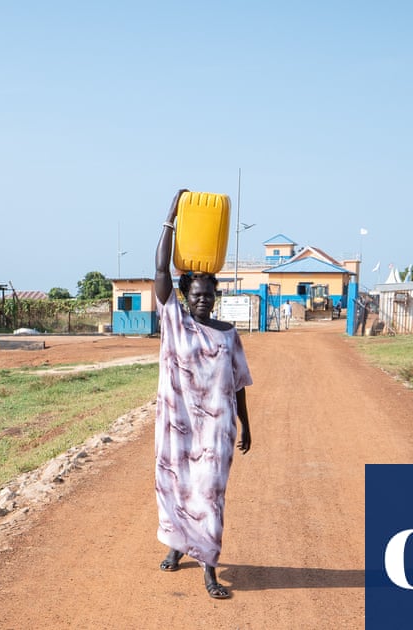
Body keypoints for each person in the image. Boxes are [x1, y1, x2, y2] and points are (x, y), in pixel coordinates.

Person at [153, 189, 254, 600]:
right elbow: (160, 268)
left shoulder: (228, 334)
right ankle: (178, 545)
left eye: (208, 295)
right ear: (185, 295)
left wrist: (247, 424)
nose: (202, 301)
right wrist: (171, 215)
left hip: (216, 428)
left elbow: (239, 382)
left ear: (216, 296)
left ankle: (209, 568)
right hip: (177, 426)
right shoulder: (174, 321)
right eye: (195, 295)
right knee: (177, 487)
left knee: (209, 494)